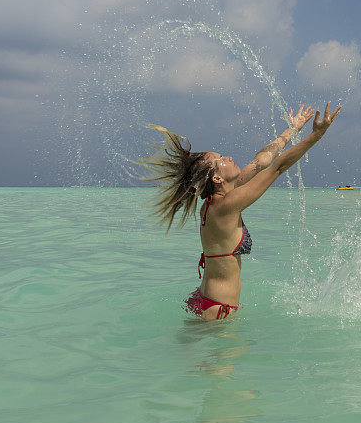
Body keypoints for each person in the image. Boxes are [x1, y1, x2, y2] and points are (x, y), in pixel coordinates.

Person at [140, 102, 341, 320]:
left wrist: (291, 130)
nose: (228, 157)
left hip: (205, 300)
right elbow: (278, 168)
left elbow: (260, 162)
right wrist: (316, 136)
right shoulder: (228, 204)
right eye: (220, 160)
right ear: (217, 179)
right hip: (219, 309)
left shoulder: (215, 201)